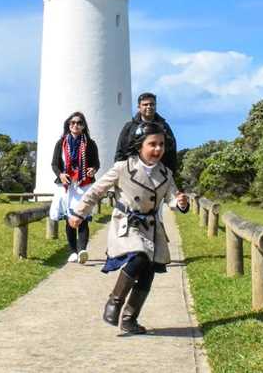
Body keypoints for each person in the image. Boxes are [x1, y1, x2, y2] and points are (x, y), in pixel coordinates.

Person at [69, 122, 189, 334]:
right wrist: (80, 212)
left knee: (148, 272)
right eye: (152, 144)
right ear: (140, 145)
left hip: (152, 227)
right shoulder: (123, 167)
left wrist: (180, 203)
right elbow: (97, 190)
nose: (158, 149)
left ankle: (129, 318)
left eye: (161, 144)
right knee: (139, 256)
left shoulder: (166, 173)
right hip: (127, 222)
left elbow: (171, 198)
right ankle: (114, 302)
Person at [48, 111, 100, 264]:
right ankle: (73, 251)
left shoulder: (90, 143)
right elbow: (54, 164)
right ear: (68, 125)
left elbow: (96, 163)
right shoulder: (61, 143)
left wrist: (93, 169)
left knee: (82, 217)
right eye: (73, 123)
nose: (76, 125)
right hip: (67, 185)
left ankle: (82, 249)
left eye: (79, 123)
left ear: (84, 126)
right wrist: (61, 174)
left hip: (84, 183)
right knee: (69, 219)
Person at [114, 92, 178, 173]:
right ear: (139, 107)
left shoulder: (164, 127)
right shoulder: (129, 127)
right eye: (145, 104)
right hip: (133, 172)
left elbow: (171, 152)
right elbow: (120, 152)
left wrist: (170, 172)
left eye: (152, 104)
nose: (149, 107)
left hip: (158, 173)